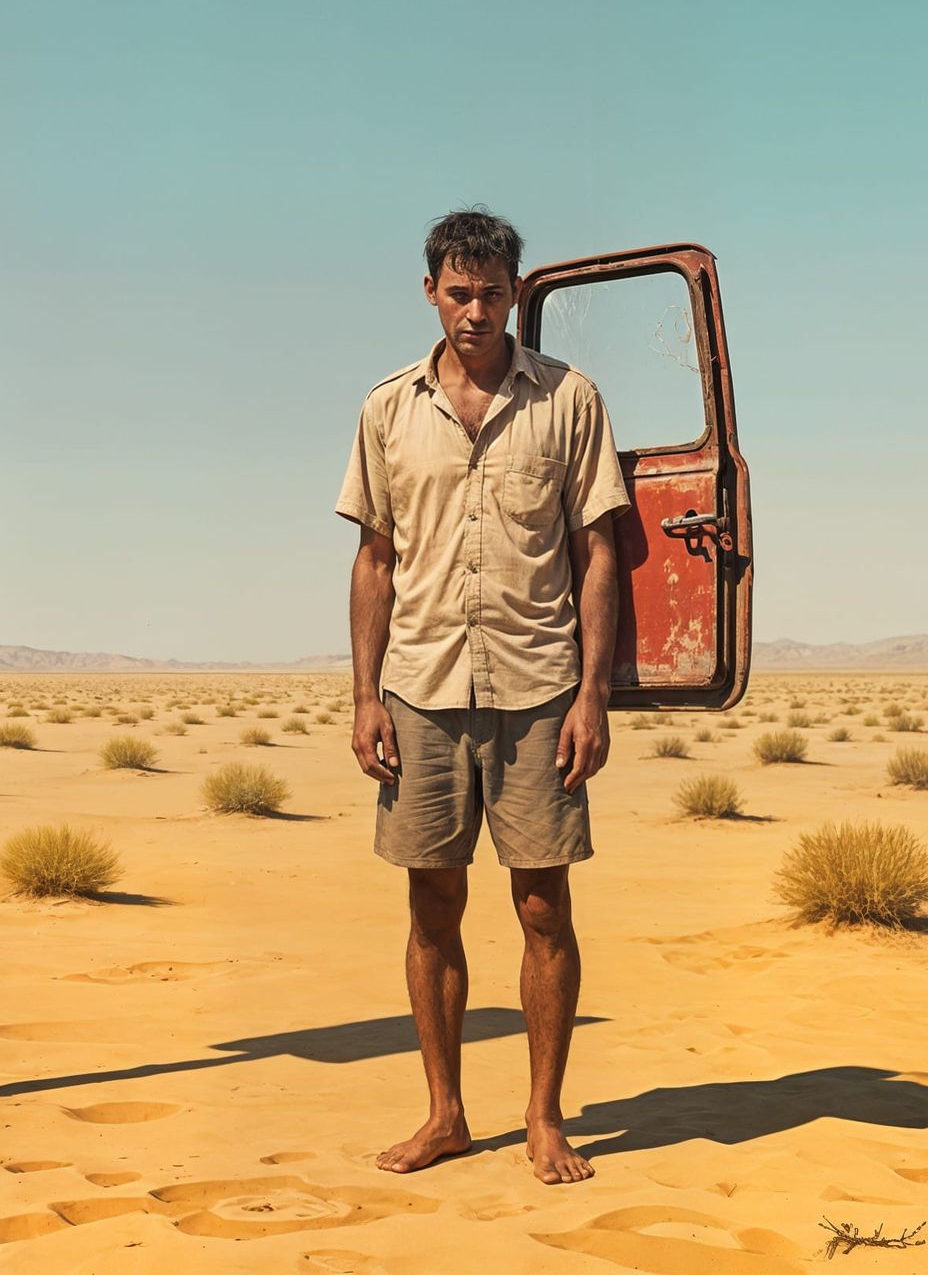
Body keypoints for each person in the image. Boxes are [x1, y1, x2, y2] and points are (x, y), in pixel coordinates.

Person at [335, 207, 630, 1185]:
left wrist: (591, 693)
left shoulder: (567, 399)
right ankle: (445, 1113)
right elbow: (374, 556)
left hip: (538, 683)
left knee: (543, 903)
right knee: (432, 904)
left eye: (491, 292)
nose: (474, 309)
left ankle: (544, 1118)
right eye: (457, 292)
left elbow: (598, 552)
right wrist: (363, 694)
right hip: (419, 685)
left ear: (515, 291)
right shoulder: (387, 407)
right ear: (430, 291)